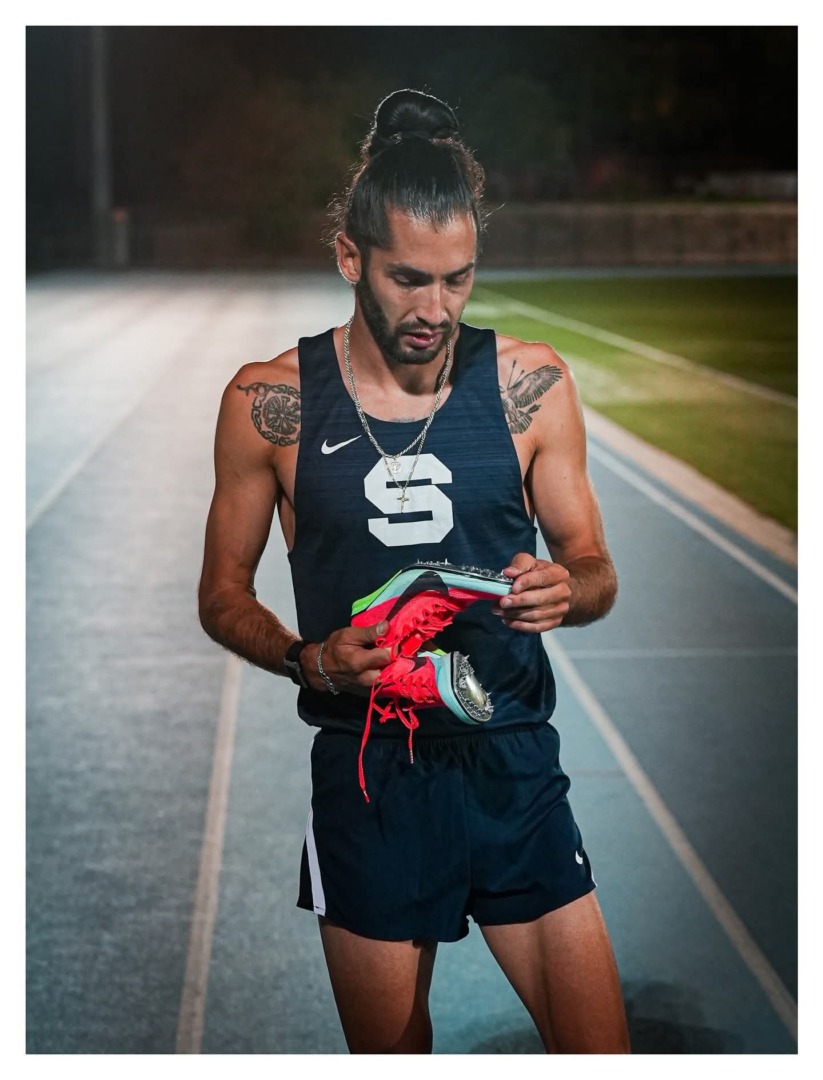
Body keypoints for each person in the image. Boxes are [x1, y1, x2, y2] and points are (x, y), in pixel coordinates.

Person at [198, 88, 630, 1054]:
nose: (434, 309)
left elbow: (595, 566)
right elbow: (222, 596)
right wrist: (307, 658)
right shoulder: (269, 403)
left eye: (457, 281)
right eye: (407, 280)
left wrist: (573, 588)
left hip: (512, 762)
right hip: (368, 776)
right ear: (349, 258)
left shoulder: (532, 386)